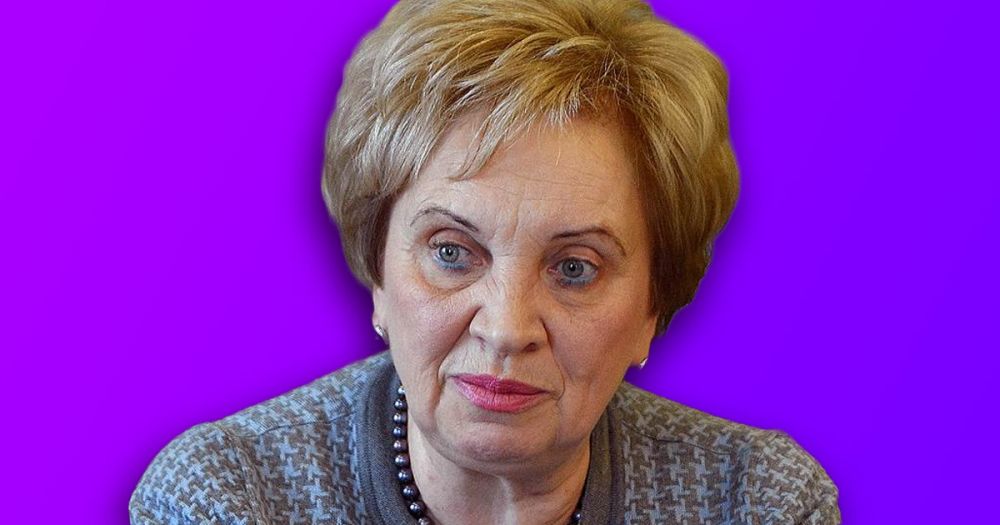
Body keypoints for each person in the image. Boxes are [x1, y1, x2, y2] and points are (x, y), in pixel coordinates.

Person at [129, 0, 840, 523]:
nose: (505, 328)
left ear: (653, 305)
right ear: (377, 272)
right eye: (451, 253)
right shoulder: (227, 496)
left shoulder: (757, 502)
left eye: (575, 268)